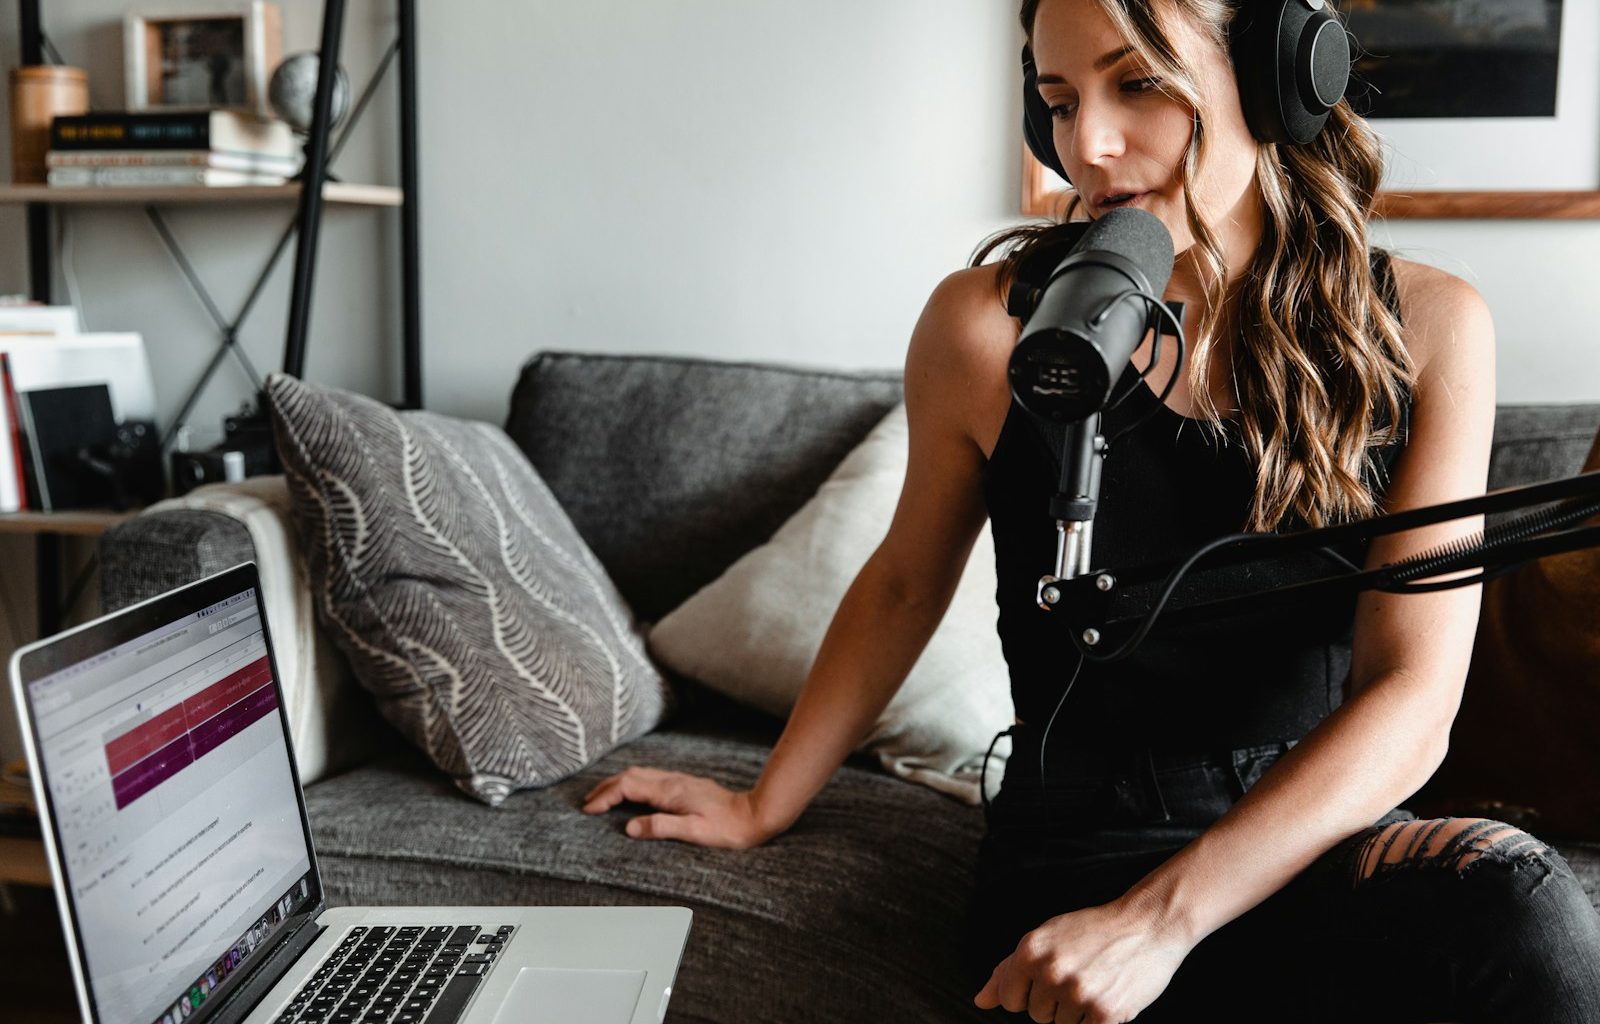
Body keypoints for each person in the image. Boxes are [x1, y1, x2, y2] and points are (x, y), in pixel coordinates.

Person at [582, 1, 1600, 1020]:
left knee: (1520, 908)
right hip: (1077, 845)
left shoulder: (1426, 328)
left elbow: (1414, 698)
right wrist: (764, 802)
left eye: (1139, 84)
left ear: (1272, 73)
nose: (1089, 147)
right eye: (1058, 102)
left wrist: (1159, 924)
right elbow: (901, 582)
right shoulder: (983, 326)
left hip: (1316, 833)